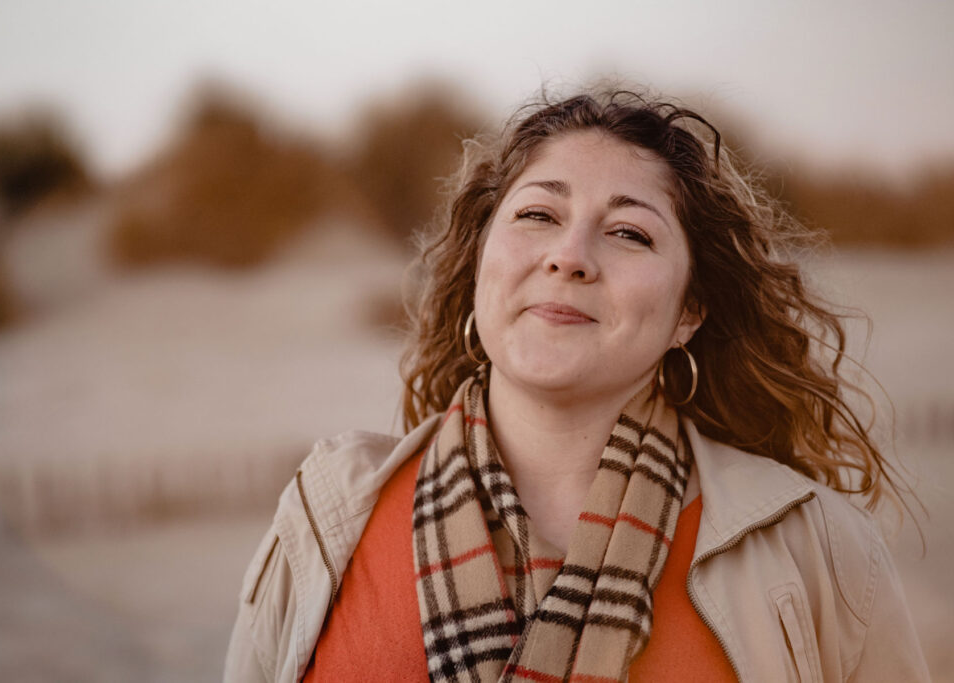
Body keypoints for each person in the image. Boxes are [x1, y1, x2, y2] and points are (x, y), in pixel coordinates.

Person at [224, 88, 930, 682]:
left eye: (628, 233)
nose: (569, 256)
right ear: (479, 265)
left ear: (689, 311)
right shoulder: (326, 519)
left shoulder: (814, 548)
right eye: (538, 214)